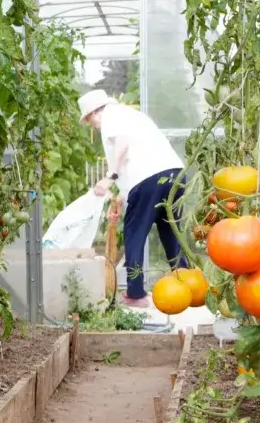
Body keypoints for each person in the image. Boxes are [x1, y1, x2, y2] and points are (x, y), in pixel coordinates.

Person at [78, 89, 188, 308]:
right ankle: (186, 283)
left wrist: (110, 177)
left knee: (134, 233)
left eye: (90, 121)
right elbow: (136, 157)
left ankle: (136, 294)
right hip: (175, 174)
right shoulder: (132, 115)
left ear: (96, 112)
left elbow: (123, 143)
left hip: (149, 179)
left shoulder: (110, 115)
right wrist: (121, 197)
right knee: (170, 231)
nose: (93, 126)